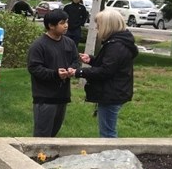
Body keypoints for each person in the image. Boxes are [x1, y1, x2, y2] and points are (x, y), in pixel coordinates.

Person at [74, 9, 138, 138]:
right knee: (108, 130)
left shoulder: (115, 46)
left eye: (99, 25)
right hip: (115, 91)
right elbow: (111, 65)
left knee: (108, 133)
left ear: (108, 26)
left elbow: (106, 71)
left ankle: (111, 156)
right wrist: (92, 59)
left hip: (111, 93)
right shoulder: (121, 42)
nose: (97, 28)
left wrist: (78, 72)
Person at [27, 8, 80, 137]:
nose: (66, 25)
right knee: (42, 135)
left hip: (62, 96)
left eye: (67, 22)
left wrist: (72, 69)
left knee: (53, 134)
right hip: (45, 98)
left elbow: (75, 60)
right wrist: (55, 74)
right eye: (62, 23)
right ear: (51, 26)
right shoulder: (39, 45)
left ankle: (49, 157)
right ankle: (38, 157)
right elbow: (34, 68)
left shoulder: (69, 43)